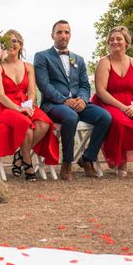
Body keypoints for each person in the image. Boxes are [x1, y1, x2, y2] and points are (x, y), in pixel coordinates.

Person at [34, 20, 111, 181]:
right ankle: (67, 161)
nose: (63, 35)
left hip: (78, 103)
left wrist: (83, 99)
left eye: (66, 32)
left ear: (70, 35)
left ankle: (87, 158)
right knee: (70, 117)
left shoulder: (79, 59)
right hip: (54, 104)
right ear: (52, 35)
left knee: (105, 117)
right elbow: (44, 85)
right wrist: (64, 100)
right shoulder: (42, 57)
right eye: (60, 32)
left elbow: (84, 84)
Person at [0, 30, 59, 181]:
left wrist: (28, 106)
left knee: (44, 123)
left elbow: (32, 92)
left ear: (20, 45)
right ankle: (27, 161)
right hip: (5, 107)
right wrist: (18, 109)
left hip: (25, 104)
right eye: (7, 42)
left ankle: (19, 154)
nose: (11, 45)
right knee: (26, 124)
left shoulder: (29, 67)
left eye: (14, 41)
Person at [90, 26, 133, 176]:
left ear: (127, 43)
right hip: (108, 102)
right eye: (112, 39)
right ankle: (120, 161)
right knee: (120, 122)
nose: (115, 42)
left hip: (131, 102)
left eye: (119, 39)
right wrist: (122, 107)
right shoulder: (104, 62)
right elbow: (101, 91)